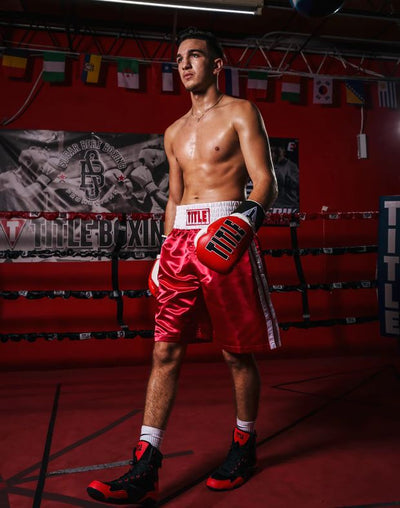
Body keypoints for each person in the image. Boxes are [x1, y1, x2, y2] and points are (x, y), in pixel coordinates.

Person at [87, 27, 281, 506]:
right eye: (178, 59)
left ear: (217, 64)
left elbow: (266, 182)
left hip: (226, 233)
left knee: (236, 352)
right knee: (164, 352)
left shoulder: (240, 112)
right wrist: (162, 251)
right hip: (179, 243)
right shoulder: (174, 131)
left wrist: (244, 222)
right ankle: (146, 461)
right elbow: (174, 197)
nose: (185, 65)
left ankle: (243, 444)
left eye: (195, 56)